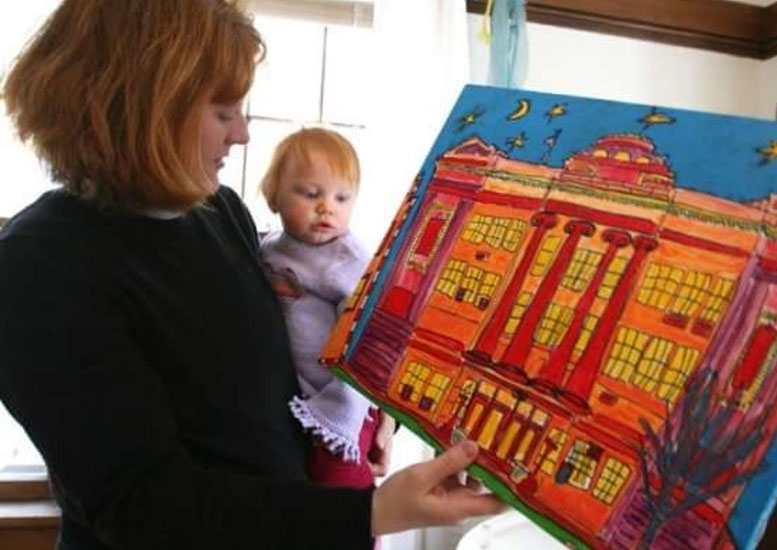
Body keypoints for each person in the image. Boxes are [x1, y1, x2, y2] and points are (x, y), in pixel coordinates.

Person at [0, 1, 505, 550]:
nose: (241, 133)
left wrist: (367, 415)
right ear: (141, 108)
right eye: (222, 112)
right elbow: (144, 507)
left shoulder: (220, 212)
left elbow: (274, 386)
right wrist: (371, 512)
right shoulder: (38, 266)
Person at [258, 127, 393, 490]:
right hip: (301, 396)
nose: (326, 207)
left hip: (343, 397)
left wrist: (342, 413)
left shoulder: (346, 259)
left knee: (339, 479)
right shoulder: (269, 248)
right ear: (272, 195)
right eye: (311, 193)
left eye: (342, 198)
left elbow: (366, 338)